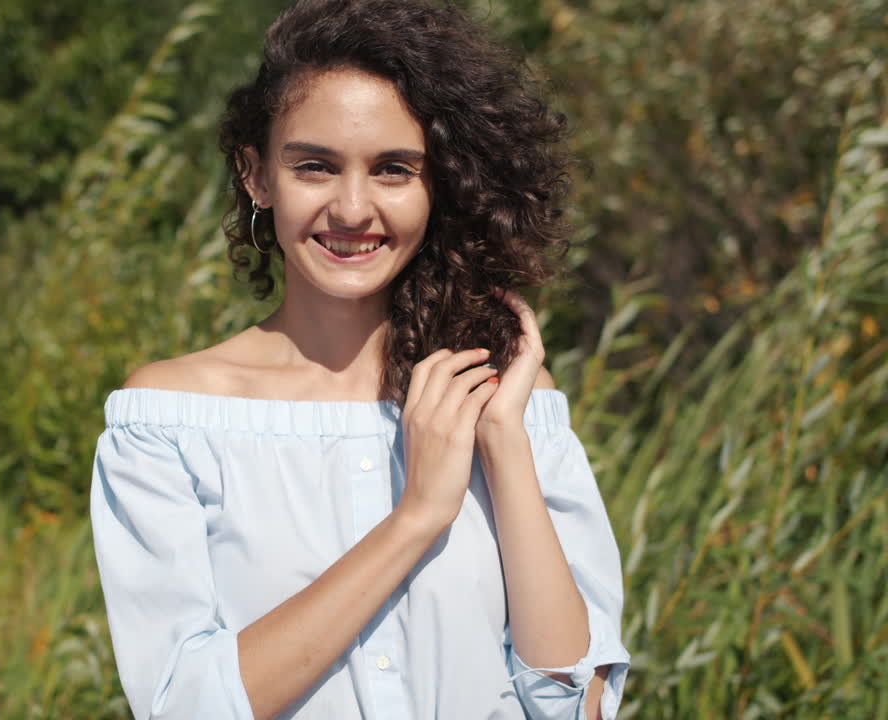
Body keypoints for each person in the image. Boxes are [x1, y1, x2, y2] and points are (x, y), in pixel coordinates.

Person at [89, 0, 631, 717]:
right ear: (256, 177)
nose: (352, 208)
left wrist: (502, 442)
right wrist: (417, 517)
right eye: (315, 166)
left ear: (439, 187)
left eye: (393, 170)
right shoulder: (169, 423)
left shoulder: (507, 406)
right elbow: (186, 704)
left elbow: (576, 708)